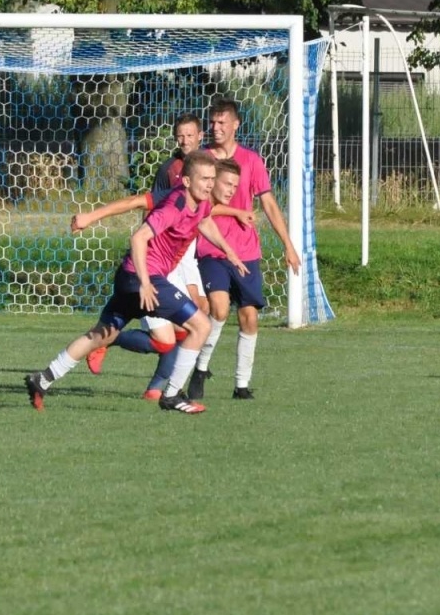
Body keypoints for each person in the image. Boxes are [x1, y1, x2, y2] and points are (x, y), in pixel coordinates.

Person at [25, 151, 248, 415]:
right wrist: (145, 282)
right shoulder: (173, 207)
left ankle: (43, 379)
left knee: (101, 334)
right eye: (205, 179)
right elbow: (138, 238)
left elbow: (205, 221)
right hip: (143, 277)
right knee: (201, 325)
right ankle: (171, 394)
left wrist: (229, 251)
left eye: (213, 179)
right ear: (187, 181)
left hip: (130, 276)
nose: (210, 184)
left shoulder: (200, 204)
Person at [71, 113, 211, 390]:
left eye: (190, 135)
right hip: (157, 260)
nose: (184, 141)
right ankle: (114, 347)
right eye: (180, 136)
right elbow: (139, 203)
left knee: (196, 319)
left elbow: (210, 213)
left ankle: (159, 389)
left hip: (186, 253)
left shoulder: (209, 167)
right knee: (173, 335)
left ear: (200, 137)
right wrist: (91, 216)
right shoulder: (170, 172)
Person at [188, 99, 301, 401]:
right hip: (212, 248)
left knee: (249, 317)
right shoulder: (203, 160)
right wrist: (235, 212)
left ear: (236, 125)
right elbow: (200, 207)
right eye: (213, 122)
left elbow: (269, 205)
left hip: (246, 252)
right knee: (219, 308)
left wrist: (288, 245)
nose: (216, 127)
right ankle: (200, 368)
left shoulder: (251, 161)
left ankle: (241, 385)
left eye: (222, 122)